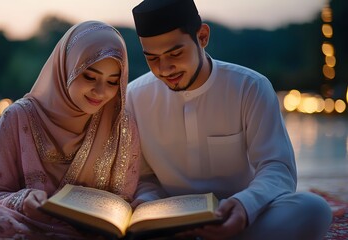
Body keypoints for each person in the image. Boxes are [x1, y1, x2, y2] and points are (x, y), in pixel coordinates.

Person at [126, 0, 332, 239]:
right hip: (172, 222)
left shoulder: (250, 87)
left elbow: (277, 168)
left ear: (202, 37)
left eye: (175, 53)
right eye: (153, 58)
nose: (164, 68)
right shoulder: (134, 97)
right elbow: (145, 178)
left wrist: (245, 206)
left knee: (313, 209)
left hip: (240, 216)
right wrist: (146, 205)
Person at [0, 20, 140, 239]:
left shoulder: (121, 125)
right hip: (25, 222)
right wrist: (22, 200)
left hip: (91, 233)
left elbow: (123, 201)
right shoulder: (18, 117)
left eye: (113, 82)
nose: (101, 92)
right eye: (89, 76)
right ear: (65, 68)